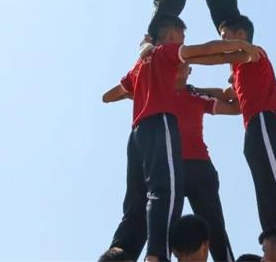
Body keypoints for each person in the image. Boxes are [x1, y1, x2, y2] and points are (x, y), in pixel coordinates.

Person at [101, 16, 262, 262]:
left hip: (196, 166)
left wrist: (220, 86)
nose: (187, 66)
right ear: (171, 37)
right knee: (157, 208)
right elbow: (206, 52)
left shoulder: (193, 94)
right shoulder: (157, 68)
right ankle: (148, 255)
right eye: (185, 62)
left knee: (212, 225)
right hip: (162, 161)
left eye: (188, 66)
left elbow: (235, 105)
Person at [204, 15, 276, 262]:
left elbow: (216, 55)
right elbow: (227, 95)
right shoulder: (240, 69)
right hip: (253, 129)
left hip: (264, 121)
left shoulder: (252, 54)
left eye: (225, 37)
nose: (223, 44)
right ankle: (275, 247)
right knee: (265, 191)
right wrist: (193, 90)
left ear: (241, 36)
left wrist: (184, 56)